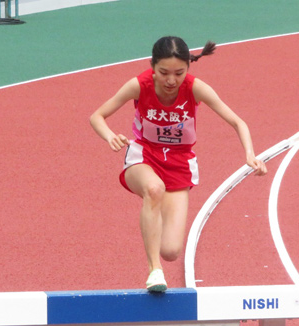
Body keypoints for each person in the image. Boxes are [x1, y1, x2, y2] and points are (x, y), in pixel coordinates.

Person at [90, 37, 267, 292]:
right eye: (163, 73)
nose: (171, 80)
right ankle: (154, 271)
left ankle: (156, 225)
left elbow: (238, 122)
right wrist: (110, 136)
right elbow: (97, 116)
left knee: (171, 250)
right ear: (152, 67)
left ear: (188, 68)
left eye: (178, 73)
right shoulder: (139, 85)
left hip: (179, 163)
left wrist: (250, 154)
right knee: (153, 189)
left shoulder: (196, 89)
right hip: (144, 155)